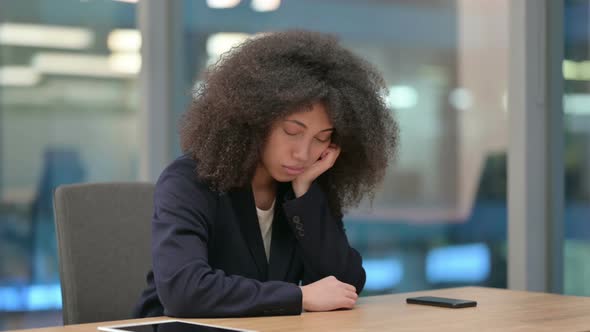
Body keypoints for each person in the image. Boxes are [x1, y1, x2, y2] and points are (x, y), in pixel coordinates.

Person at [134, 30, 398, 318]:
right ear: (255, 119)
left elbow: (344, 285)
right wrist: (299, 296)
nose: (304, 153)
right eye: (292, 131)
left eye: (322, 138)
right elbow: (184, 292)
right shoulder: (190, 181)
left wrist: (306, 196)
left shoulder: (302, 189)